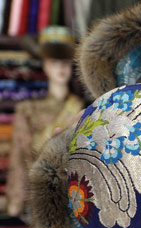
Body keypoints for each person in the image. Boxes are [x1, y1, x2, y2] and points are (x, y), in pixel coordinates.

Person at [6, 26, 84, 217]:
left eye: (65, 62)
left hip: (77, 193)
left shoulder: (81, 106)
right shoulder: (28, 109)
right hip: (40, 195)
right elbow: (19, 157)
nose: (60, 68)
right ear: (44, 65)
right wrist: (15, 201)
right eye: (54, 62)